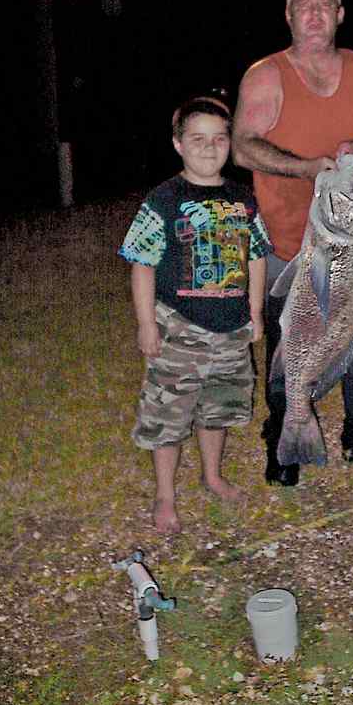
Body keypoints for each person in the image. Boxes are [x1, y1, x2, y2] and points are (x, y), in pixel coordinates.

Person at [232, 0, 353, 486]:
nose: (313, 13)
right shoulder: (266, 74)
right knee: (289, 343)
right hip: (288, 240)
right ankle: (284, 438)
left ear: (339, 15)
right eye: (302, 6)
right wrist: (305, 168)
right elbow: (243, 144)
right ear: (289, 16)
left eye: (324, 5)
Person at [119, 97, 272, 532]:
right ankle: (165, 494)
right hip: (178, 329)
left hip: (231, 329)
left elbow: (257, 255)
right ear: (178, 144)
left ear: (230, 144)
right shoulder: (163, 199)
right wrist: (147, 323)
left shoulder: (243, 198)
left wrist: (255, 311)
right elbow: (142, 263)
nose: (209, 148)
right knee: (169, 415)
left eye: (219, 139)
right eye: (198, 139)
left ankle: (212, 476)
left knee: (217, 409)